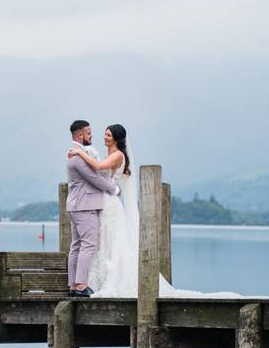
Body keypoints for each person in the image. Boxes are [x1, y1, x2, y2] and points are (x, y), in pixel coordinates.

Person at [69, 124, 241, 299]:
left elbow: (98, 168)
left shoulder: (118, 155)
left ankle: (109, 281)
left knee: (113, 241)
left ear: (116, 138)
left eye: (108, 135)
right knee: (101, 242)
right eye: (104, 134)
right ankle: (93, 281)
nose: (104, 137)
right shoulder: (107, 155)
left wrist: (80, 153)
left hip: (111, 203)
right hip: (101, 202)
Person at [65, 120, 121, 297]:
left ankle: (73, 285)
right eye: (89, 133)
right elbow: (93, 177)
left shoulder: (79, 154)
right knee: (88, 245)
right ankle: (81, 285)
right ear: (80, 135)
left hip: (76, 205)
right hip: (84, 206)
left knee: (76, 246)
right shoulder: (78, 157)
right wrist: (114, 189)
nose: (92, 136)